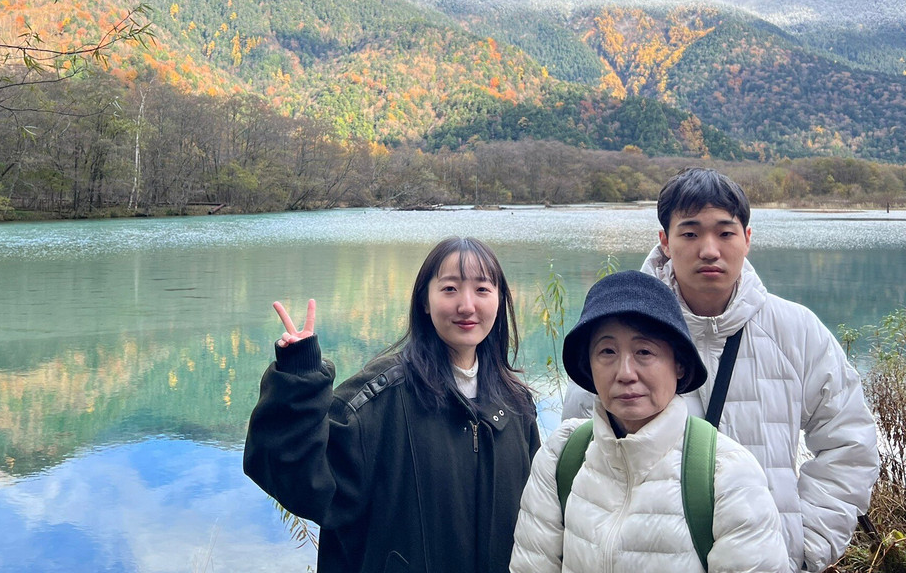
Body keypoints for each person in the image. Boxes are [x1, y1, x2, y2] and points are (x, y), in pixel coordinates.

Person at [561, 168, 879, 572]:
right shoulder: (619, 332)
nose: (709, 250)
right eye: (690, 233)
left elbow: (850, 442)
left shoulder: (797, 332)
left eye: (725, 233)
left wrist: (803, 545)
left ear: (747, 239)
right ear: (665, 241)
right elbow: (576, 448)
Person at [243, 236, 541, 573]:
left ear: (500, 301)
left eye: (482, 290)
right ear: (425, 302)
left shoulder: (516, 406)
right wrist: (298, 376)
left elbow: (539, 520)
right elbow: (300, 479)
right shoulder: (381, 395)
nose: (467, 305)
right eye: (450, 289)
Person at [511, 270, 789, 573]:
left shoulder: (726, 474)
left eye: (644, 351)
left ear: (679, 364)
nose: (625, 373)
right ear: (588, 366)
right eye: (607, 351)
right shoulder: (562, 456)